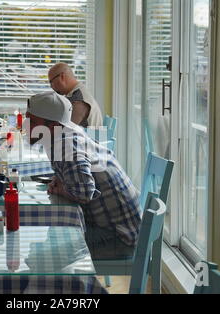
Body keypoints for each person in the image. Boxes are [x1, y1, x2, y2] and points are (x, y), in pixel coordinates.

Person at [24, 91, 141, 259]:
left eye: (32, 121)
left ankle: (71, 282)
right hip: (121, 228)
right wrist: (59, 179)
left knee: (41, 256)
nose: (25, 125)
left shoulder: (66, 146)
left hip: (117, 238)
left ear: (53, 125)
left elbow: (84, 192)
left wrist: (61, 190)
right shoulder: (67, 134)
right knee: (44, 245)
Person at [48, 63, 103, 128]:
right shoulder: (76, 93)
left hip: (92, 137)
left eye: (51, 82)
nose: (51, 86)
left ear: (62, 77)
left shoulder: (79, 100)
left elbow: (65, 129)